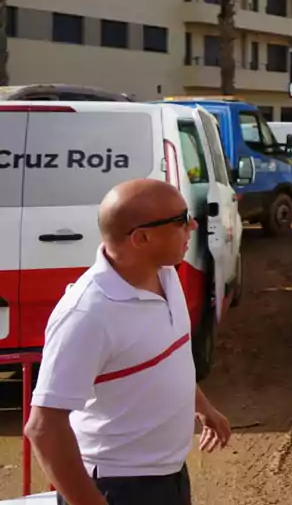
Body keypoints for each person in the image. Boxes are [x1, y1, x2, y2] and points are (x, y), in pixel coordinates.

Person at [26, 179, 233, 505]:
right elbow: (43, 428)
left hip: (168, 477)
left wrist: (203, 407)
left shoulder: (167, 275)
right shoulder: (87, 314)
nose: (192, 225)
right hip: (118, 488)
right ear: (142, 238)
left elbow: (168, 357)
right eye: (180, 220)